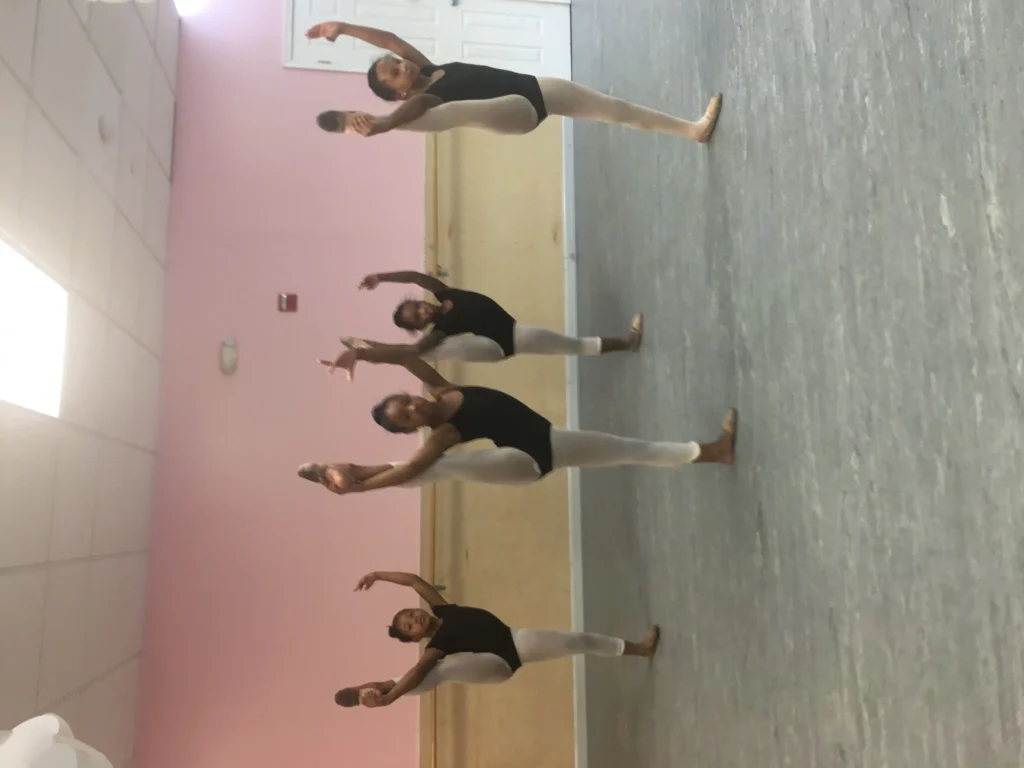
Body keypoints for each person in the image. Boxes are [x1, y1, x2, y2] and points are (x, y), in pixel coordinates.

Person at [297, 356, 737, 493]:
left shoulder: (442, 390)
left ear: (411, 395)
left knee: (623, 448)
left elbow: (410, 357)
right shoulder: (445, 433)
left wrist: (362, 350)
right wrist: (365, 487)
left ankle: (349, 469)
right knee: (440, 467)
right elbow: (412, 469)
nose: (413, 409)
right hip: (521, 460)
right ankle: (715, 450)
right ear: (410, 430)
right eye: (406, 419)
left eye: (406, 403)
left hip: (540, 445)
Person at [305, 21, 722, 143]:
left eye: (396, 62)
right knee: (439, 111)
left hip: (533, 91)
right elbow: (418, 105)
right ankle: (378, 124)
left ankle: (692, 130)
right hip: (512, 115)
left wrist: (343, 26)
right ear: (398, 90)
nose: (401, 65)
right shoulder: (422, 96)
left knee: (615, 110)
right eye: (395, 72)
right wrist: (380, 124)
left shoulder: (429, 68)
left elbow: (392, 38)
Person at [334, 570, 660, 709]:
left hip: (514, 644)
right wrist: (389, 698)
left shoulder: (443, 609)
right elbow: (418, 674)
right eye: (409, 627)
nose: (414, 619)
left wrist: (378, 575)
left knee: (577, 640)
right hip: (491, 667)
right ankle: (372, 691)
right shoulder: (437, 649)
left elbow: (414, 581)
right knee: (436, 670)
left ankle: (640, 650)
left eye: (410, 614)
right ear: (414, 637)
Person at [318, 270, 642, 376]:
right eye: (416, 319)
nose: (421, 313)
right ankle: (628, 342)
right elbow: (412, 350)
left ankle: (365, 349)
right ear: (419, 325)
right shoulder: (441, 331)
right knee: (425, 351)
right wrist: (367, 352)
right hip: (501, 343)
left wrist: (381, 277)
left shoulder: (446, 293)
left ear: (420, 301)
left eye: (416, 308)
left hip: (504, 336)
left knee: (571, 345)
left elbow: (415, 276)